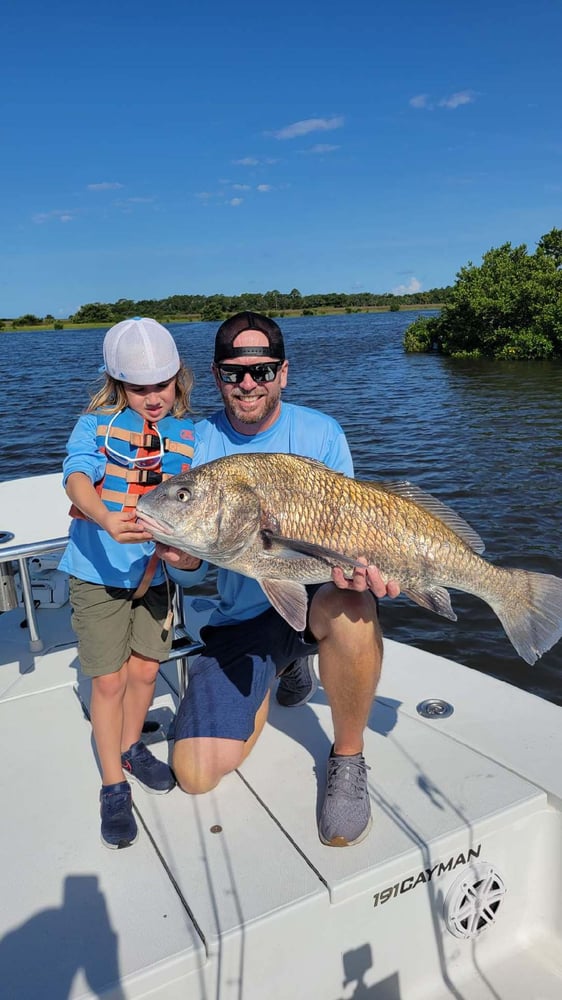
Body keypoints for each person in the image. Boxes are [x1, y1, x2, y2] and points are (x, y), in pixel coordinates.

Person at [157, 311, 400, 848]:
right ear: (217, 376)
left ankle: (348, 757)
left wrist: (367, 571)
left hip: (316, 596)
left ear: (283, 373)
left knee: (356, 609)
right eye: (233, 372)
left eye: (262, 371)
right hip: (244, 612)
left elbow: (355, 531)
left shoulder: (322, 433)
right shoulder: (194, 444)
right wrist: (181, 555)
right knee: (195, 774)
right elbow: (195, 551)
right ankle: (285, 668)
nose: (248, 384)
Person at [59, 317, 195, 849]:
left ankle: (132, 747)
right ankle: (113, 785)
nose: (154, 397)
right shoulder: (95, 426)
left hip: (154, 573)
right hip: (97, 574)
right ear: (118, 386)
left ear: (177, 379)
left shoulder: (188, 434)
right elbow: (74, 476)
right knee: (109, 681)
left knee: (144, 672)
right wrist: (103, 517)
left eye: (162, 384)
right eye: (139, 388)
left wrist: (183, 552)